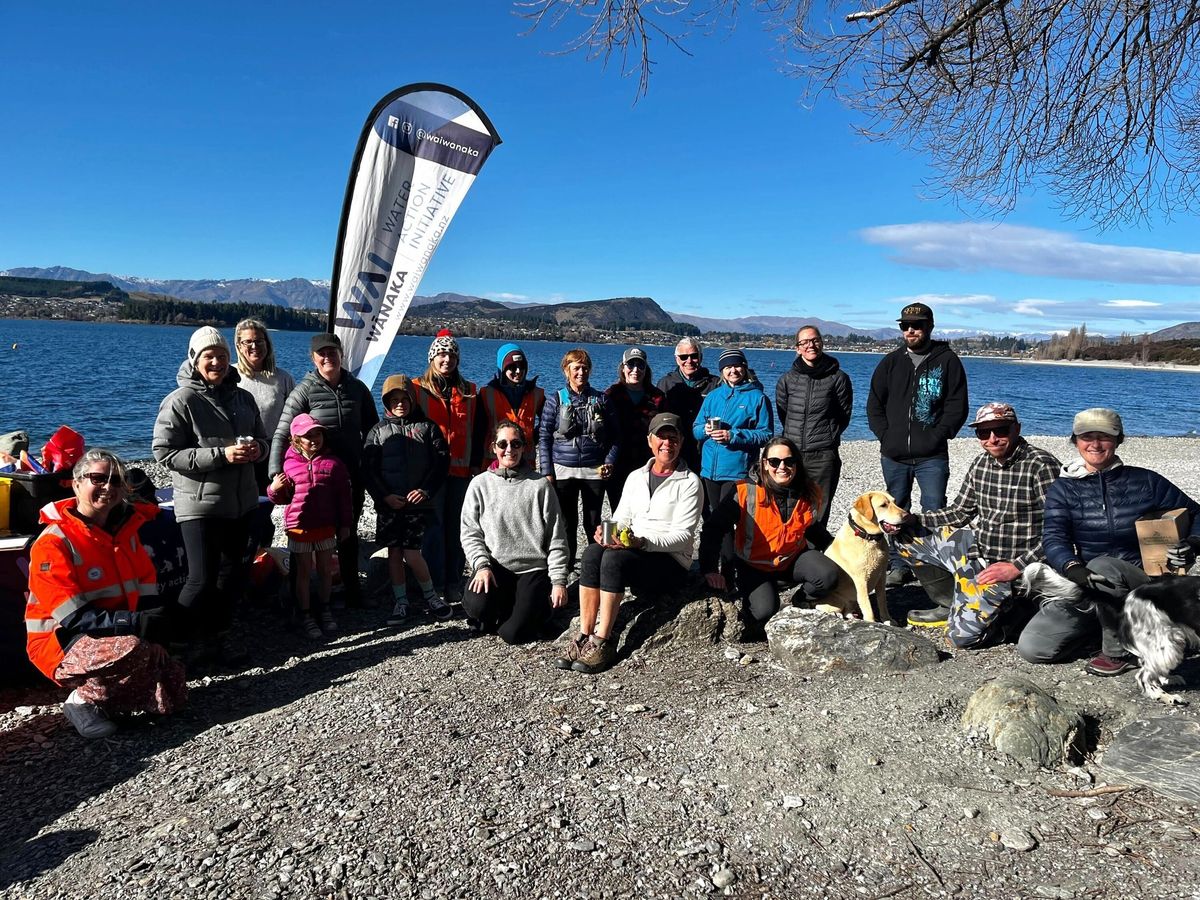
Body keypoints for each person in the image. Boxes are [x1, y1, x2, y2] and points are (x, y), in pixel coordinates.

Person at [1020, 407, 1200, 674]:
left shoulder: (1145, 481)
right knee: (1034, 648)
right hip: (1089, 586)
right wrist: (1071, 567)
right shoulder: (1063, 489)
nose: (1094, 444)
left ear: (1118, 440)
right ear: (1075, 440)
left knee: (1105, 565)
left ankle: (1117, 653)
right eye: (1086, 436)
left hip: (1145, 585)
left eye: (1104, 436)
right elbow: (1054, 537)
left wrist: (1193, 543)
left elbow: (1196, 512)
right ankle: (1111, 628)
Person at [26, 450, 186, 739]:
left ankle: (111, 698)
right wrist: (138, 627)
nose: (108, 487)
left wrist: (157, 637)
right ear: (76, 484)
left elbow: (147, 589)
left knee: (172, 685)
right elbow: (73, 616)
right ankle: (82, 702)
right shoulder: (54, 542)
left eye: (116, 481)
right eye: (98, 479)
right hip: (61, 640)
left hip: (114, 632)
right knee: (133, 648)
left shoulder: (126, 531)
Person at [896, 403, 1061, 648]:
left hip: (1015, 567)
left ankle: (1016, 613)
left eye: (1001, 430)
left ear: (1016, 429)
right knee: (905, 535)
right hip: (979, 552)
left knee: (960, 639)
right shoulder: (981, 464)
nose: (992, 439)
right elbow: (960, 512)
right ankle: (951, 603)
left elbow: (1059, 531)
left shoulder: (1041, 465)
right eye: (983, 433)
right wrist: (913, 519)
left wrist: (1016, 567)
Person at [154, 326, 268, 663]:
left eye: (221, 355)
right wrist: (221, 455)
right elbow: (164, 453)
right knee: (200, 579)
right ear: (194, 360)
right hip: (200, 505)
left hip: (241, 502)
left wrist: (256, 451)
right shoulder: (181, 401)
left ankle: (215, 641)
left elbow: (263, 439)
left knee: (232, 576)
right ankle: (173, 646)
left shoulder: (243, 397)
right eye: (209, 356)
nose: (216, 362)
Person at [556, 413, 703, 675]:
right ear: (650, 441)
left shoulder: (690, 483)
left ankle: (604, 640)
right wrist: (607, 533)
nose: (666, 443)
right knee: (592, 552)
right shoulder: (636, 476)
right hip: (636, 549)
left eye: (673, 438)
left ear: (681, 442)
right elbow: (621, 517)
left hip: (670, 560)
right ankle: (584, 634)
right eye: (661, 437)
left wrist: (641, 542)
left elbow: (684, 536)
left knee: (614, 560)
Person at [272, 332, 379, 608]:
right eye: (322, 353)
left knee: (347, 533)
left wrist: (371, 465)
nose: (327, 357)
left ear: (341, 354)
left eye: (332, 351)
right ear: (313, 357)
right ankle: (301, 601)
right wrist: (276, 473)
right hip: (313, 479)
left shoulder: (357, 388)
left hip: (349, 476)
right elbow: (283, 433)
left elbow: (373, 431)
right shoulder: (304, 390)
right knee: (306, 538)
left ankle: (352, 592)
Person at [866, 302, 968, 585]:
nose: (911, 330)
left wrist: (939, 434)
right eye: (906, 326)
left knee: (934, 508)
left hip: (932, 456)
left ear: (930, 327)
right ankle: (900, 564)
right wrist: (885, 435)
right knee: (894, 511)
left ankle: (933, 566)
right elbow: (874, 403)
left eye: (918, 325)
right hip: (893, 455)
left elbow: (957, 406)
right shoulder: (891, 362)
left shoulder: (947, 361)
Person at [699, 436, 839, 623]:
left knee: (828, 575)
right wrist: (709, 569)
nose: (782, 467)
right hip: (753, 566)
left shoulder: (809, 491)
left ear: (796, 463)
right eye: (775, 461)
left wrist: (837, 549)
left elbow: (812, 528)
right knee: (763, 613)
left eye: (789, 461)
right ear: (764, 464)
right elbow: (713, 529)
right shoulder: (744, 491)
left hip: (791, 560)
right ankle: (761, 594)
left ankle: (801, 601)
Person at [461, 422, 570, 643]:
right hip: (496, 567)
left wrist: (558, 581)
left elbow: (557, 537)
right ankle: (509, 607)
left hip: (533, 568)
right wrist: (481, 566)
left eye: (515, 443)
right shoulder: (480, 484)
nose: (509, 449)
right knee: (477, 606)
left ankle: (536, 607)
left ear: (524, 448)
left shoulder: (540, 485)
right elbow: (470, 532)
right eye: (503, 444)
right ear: (494, 447)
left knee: (512, 634)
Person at [362, 375, 451, 626]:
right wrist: (384, 497)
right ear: (386, 402)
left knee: (412, 553)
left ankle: (431, 596)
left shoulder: (428, 427)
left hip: (416, 504)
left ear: (412, 399)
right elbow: (369, 470)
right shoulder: (377, 432)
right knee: (394, 553)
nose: (400, 404)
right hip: (390, 504)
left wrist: (425, 490)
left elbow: (441, 463)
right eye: (394, 400)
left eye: (404, 399)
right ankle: (401, 601)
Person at [268, 414, 354, 640]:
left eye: (317, 434)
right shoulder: (288, 464)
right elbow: (281, 499)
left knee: (326, 570)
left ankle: (324, 609)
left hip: (326, 525)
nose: (313, 439)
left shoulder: (334, 464)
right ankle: (305, 614)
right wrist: (274, 489)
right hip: (299, 527)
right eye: (307, 436)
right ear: (296, 439)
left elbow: (345, 498)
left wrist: (346, 524)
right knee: (304, 572)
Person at [693, 348, 773, 575]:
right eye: (727, 367)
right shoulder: (714, 396)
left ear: (745, 367)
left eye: (737, 365)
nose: (733, 370)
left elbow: (766, 434)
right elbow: (695, 429)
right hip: (709, 470)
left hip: (736, 470)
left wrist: (733, 435)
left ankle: (728, 572)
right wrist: (705, 430)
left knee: (726, 523)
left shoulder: (757, 398)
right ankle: (710, 568)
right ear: (722, 371)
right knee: (711, 519)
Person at [411, 329, 477, 603]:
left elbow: (480, 428)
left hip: (462, 472)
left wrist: (478, 466)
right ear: (432, 357)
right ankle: (434, 584)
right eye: (441, 353)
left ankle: (453, 581)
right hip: (431, 473)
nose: (446, 358)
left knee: (458, 528)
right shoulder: (416, 389)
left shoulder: (470, 391)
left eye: (451, 353)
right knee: (433, 529)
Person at [538, 348, 619, 563]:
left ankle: (596, 563)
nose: (581, 373)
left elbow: (616, 436)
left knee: (593, 521)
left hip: (594, 471)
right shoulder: (555, 400)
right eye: (576, 368)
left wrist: (609, 461)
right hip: (563, 471)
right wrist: (547, 471)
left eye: (585, 368)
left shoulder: (602, 400)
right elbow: (544, 437)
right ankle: (566, 564)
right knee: (566, 522)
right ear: (566, 370)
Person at [775, 325, 853, 527]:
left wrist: (826, 438)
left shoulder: (838, 378)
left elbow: (843, 416)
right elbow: (783, 413)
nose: (810, 345)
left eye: (814, 340)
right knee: (788, 508)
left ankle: (812, 555)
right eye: (804, 342)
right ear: (797, 348)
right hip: (792, 455)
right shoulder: (787, 380)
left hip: (823, 456)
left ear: (821, 342)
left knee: (818, 512)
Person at [232, 317, 295, 494]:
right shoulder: (230, 376)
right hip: (239, 452)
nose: (254, 346)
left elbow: (295, 418)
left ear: (267, 343)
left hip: (273, 451)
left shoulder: (283, 378)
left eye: (259, 341)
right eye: (248, 342)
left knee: (266, 501)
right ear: (238, 345)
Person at [604, 346, 666, 510]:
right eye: (631, 365)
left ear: (646, 369)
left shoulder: (658, 397)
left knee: (647, 509)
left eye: (641, 365)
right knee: (619, 510)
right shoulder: (611, 395)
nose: (635, 370)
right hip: (618, 463)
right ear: (623, 368)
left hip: (648, 463)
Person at [656, 337, 721, 477]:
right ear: (676, 359)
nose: (689, 361)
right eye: (684, 357)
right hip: (675, 450)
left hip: (705, 452)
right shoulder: (666, 384)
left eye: (694, 356)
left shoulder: (715, 384)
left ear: (701, 357)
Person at [476, 342, 545, 459]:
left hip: (526, 463)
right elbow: (478, 431)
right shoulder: (486, 394)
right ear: (502, 369)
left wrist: (532, 437)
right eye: (512, 367)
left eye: (521, 366)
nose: (518, 371)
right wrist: (475, 463)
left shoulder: (536, 394)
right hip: (495, 462)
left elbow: (547, 423)